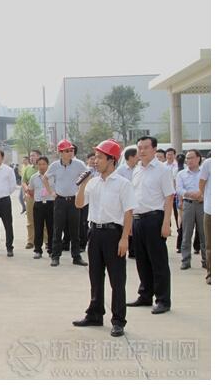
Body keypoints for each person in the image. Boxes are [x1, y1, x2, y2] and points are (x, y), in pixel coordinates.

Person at [73, 139, 136, 337]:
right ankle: (95, 314)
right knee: (95, 277)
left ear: (112, 160)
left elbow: (128, 212)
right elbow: (79, 204)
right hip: (95, 233)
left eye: (100, 157)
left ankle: (118, 320)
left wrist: (124, 238)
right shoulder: (93, 182)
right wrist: (82, 184)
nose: (95, 161)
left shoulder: (123, 184)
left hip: (113, 234)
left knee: (117, 280)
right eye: (95, 157)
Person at [127, 136, 174, 315]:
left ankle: (163, 300)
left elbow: (169, 197)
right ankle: (145, 295)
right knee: (141, 260)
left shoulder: (162, 170)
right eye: (139, 147)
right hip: (138, 219)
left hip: (155, 219)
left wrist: (166, 223)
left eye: (146, 147)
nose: (142, 150)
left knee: (158, 261)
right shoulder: (137, 170)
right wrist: (130, 222)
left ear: (154, 149)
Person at [43, 139, 88, 267]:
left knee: (75, 230)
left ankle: (76, 256)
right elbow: (45, 178)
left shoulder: (79, 164)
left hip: (74, 201)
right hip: (60, 201)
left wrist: (81, 189)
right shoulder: (55, 166)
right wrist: (51, 192)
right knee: (58, 229)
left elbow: (88, 175)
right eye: (67, 151)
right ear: (61, 152)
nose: (70, 152)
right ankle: (55, 256)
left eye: (71, 150)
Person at [176, 149, 206, 270]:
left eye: (191, 157)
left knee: (204, 234)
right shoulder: (181, 174)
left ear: (198, 158)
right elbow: (179, 189)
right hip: (188, 204)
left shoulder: (204, 173)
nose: (189, 160)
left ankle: (206, 260)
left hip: (202, 204)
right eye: (187, 158)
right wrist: (189, 194)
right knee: (186, 233)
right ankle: (185, 260)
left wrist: (201, 195)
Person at [27, 156, 55, 259]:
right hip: (38, 205)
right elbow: (31, 190)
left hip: (51, 204)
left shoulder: (53, 176)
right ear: (37, 165)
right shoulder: (34, 177)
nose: (42, 166)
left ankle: (51, 250)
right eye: (39, 164)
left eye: (44, 164)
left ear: (48, 165)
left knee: (51, 228)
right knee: (38, 228)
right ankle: (38, 250)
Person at [115, 147, 139, 258]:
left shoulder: (138, 169)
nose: (138, 158)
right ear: (130, 157)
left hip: (135, 200)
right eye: (136, 156)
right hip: (124, 201)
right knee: (126, 224)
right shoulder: (120, 170)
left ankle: (133, 250)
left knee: (133, 225)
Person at [21, 150, 41, 250]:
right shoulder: (28, 168)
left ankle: (46, 240)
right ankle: (30, 241)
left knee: (44, 219)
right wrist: (26, 190)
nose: (31, 157)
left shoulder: (44, 167)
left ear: (39, 156)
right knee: (30, 219)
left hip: (42, 197)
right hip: (30, 196)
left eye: (33, 155)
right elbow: (23, 181)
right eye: (30, 156)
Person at [199, 157, 211, 285]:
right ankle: (210, 273)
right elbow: (201, 183)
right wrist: (203, 196)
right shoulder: (208, 163)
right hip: (210, 211)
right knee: (210, 245)